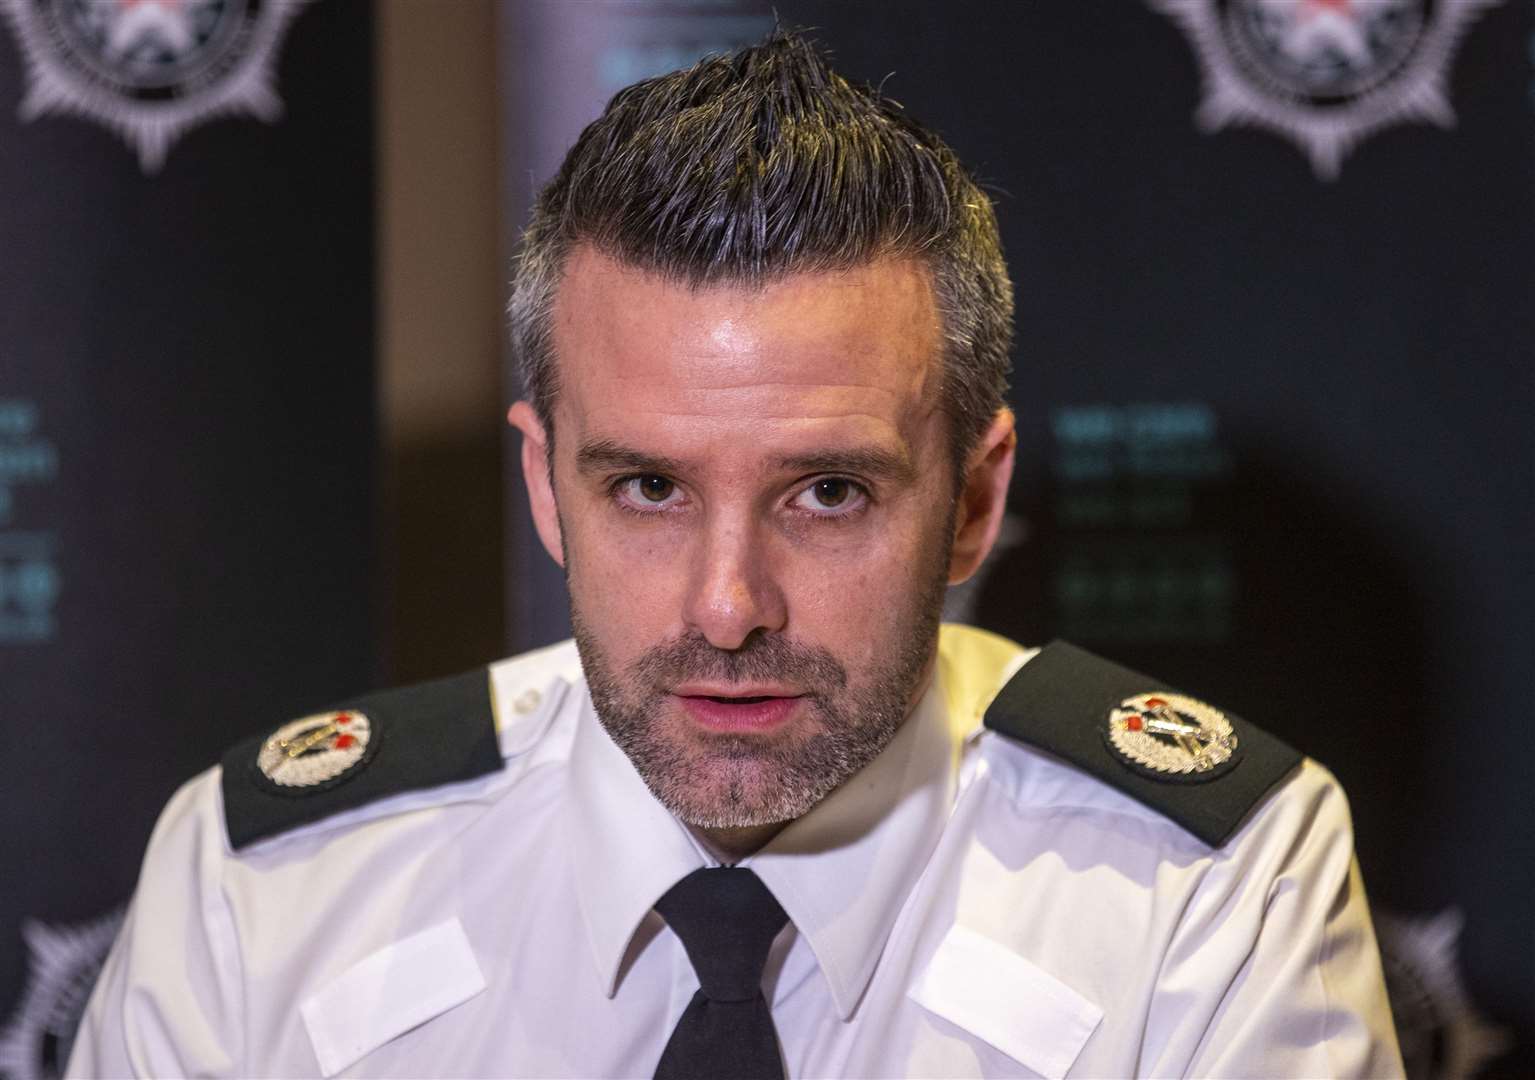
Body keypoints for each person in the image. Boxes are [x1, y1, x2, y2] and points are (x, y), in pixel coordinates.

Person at [68, 30, 1402, 1079]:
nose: (726, 608)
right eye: (646, 486)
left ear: (977, 500)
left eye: (827, 492)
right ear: (544, 484)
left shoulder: (1206, 891)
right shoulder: (267, 889)